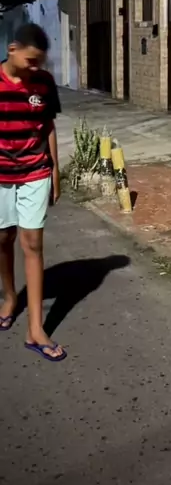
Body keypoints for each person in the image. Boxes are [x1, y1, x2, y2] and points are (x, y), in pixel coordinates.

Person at [0, 23, 66, 362]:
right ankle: (10, 296)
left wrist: (55, 170)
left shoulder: (43, 82)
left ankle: (35, 329)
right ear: (12, 50)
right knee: (3, 238)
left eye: (39, 61)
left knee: (33, 244)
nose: (34, 67)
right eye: (30, 60)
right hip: (1, 175)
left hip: (35, 171)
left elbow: (48, 125)